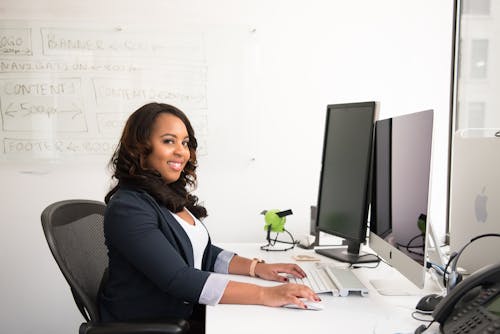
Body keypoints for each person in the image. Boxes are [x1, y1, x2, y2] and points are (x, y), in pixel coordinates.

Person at [98, 102, 319, 333]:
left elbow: (204, 252)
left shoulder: (166, 196)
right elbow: (178, 278)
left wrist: (257, 268)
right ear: (140, 148)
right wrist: (265, 294)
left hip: (181, 314)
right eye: (168, 141)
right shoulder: (129, 208)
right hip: (151, 324)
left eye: (185, 143)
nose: (181, 151)